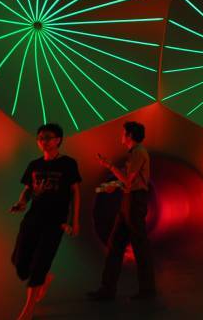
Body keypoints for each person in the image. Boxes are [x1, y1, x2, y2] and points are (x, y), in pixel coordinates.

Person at [10, 123, 81, 320]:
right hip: (32, 219)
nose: (44, 141)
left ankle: (28, 309)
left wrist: (74, 221)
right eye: (40, 138)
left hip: (55, 222)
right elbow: (28, 190)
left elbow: (75, 192)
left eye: (48, 137)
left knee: (40, 263)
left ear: (58, 139)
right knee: (19, 263)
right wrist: (21, 203)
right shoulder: (34, 165)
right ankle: (45, 278)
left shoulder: (68, 163)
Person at [88, 121, 156, 301]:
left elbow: (128, 180)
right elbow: (128, 181)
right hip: (129, 201)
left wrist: (109, 166)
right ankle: (107, 289)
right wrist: (112, 185)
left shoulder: (139, 152)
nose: (121, 136)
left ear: (130, 136)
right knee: (115, 246)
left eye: (123, 133)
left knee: (139, 248)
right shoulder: (135, 153)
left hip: (134, 202)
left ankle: (147, 291)